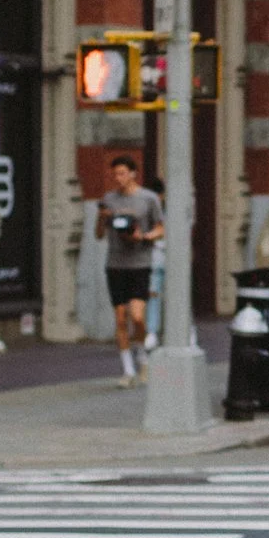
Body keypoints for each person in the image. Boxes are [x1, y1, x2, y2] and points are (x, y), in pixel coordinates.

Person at [93, 155, 165, 387]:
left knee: (137, 316)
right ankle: (127, 370)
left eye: (123, 173)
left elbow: (161, 228)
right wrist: (102, 218)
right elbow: (99, 234)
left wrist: (142, 237)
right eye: (115, 174)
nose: (118, 178)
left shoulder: (148, 198)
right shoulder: (109, 199)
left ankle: (142, 355)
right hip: (115, 264)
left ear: (133, 173)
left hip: (140, 263)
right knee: (121, 318)